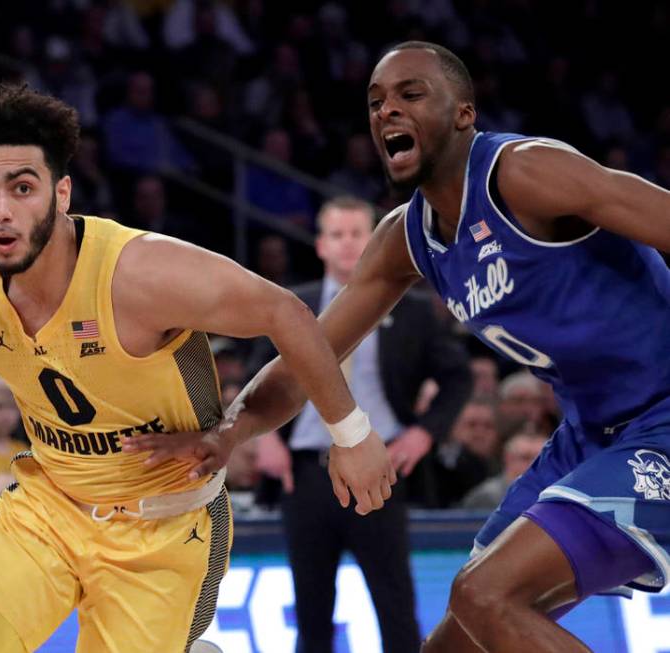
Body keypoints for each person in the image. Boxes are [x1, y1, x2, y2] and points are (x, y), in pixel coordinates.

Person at [0, 83, 392, 652]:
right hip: (48, 509)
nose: (2, 210)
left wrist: (351, 433)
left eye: (22, 186)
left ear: (61, 192)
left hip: (161, 527)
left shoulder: (141, 272)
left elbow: (286, 312)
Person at [126, 41, 670, 653]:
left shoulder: (526, 172)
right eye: (376, 102)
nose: (387, 111)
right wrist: (226, 435)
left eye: (411, 95)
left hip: (661, 418)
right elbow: (310, 355)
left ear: (464, 113)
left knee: (483, 595)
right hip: (592, 432)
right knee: (459, 637)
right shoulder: (403, 239)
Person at [247, 196, 472, 653]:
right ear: (320, 245)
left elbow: (458, 375)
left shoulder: (411, 309)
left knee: (394, 603)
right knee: (310, 609)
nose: (349, 244)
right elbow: (256, 380)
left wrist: (424, 432)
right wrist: (266, 437)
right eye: (338, 234)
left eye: (357, 234)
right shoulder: (291, 305)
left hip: (380, 470)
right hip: (305, 473)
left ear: (373, 241)